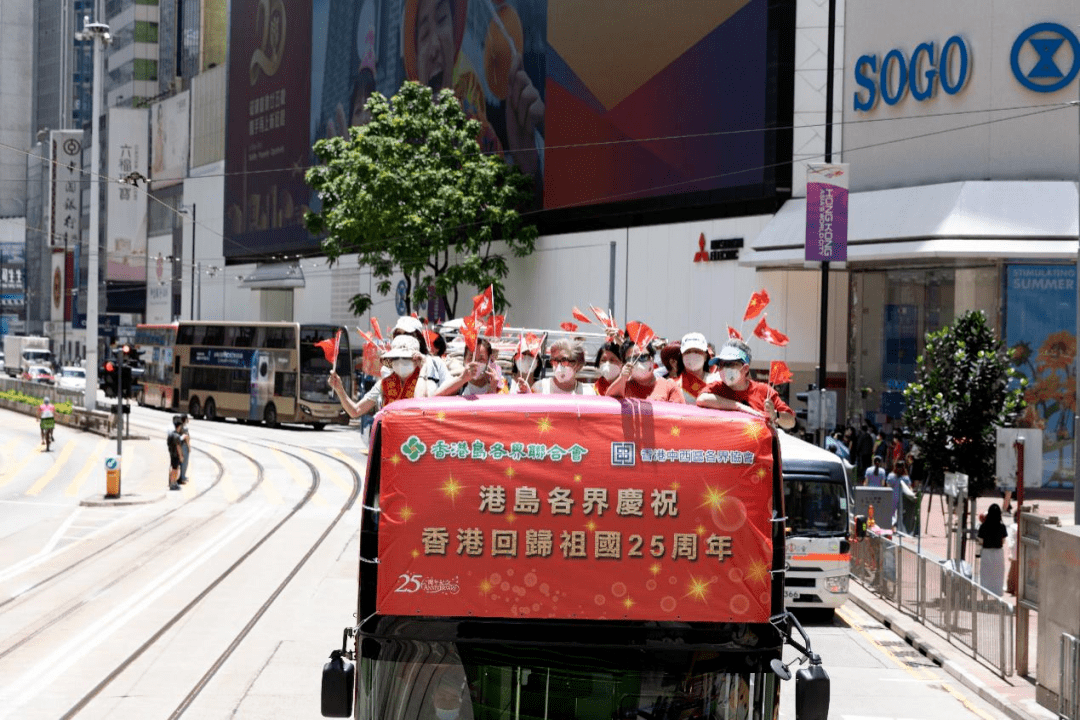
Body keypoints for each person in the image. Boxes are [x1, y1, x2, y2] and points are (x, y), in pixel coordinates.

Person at [696, 340, 795, 429]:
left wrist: (774, 415)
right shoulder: (717, 388)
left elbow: (791, 422)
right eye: (721, 364)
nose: (724, 369)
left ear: (745, 368)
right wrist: (738, 406)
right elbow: (701, 399)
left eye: (730, 364)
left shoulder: (764, 391)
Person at [330, 334, 435, 418]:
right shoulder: (383, 384)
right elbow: (355, 411)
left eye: (406, 358)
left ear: (416, 361)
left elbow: (421, 403)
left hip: (415, 441)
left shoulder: (427, 382)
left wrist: (424, 369)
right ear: (391, 360)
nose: (401, 362)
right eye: (396, 358)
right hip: (389, 438)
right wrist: (340, 389)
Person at [605, 345, 684, 403]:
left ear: (652, 359)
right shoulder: (622, 387)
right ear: (624, 363)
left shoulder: (669, 387)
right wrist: (622, 377)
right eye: (632, 359)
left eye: (643, 357)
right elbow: (609, 402)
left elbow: (680, 417)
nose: (638, 362)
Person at [436, 339, 506, 396]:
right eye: (471, 357)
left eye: (481, 359)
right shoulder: (456, 382)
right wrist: (462, 379)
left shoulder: (498, 383)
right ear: (464, 360)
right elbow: (435, 398)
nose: (475, 362)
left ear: (488, 362)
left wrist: (492, 389)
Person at [393, 316, 448, 388]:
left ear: (418, 337)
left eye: (407, 334)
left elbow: (449, 389)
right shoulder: (389, 365)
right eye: (398, 334)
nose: (401, 338)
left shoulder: (435, 363)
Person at [528, 338, 595, 395]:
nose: (558, 366)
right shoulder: (540, 387)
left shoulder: (587, 392)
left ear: (577, 364)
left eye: (564, 360)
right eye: (554, 360)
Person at [977, 503, 1009, 596]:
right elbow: (1003, 541)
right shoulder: (1002, 526)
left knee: (986, 574)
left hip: (986, 552)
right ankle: (997, 595)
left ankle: (985, 596)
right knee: (998, 575)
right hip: (998, 553)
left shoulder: (983, 526)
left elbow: (980, 541)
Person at [677, 332, 710, 403]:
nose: (692, 355)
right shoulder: (673, 384)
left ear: (705, 356)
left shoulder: (716, 380)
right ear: (682, 356)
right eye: (688, 352)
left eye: (697, 351)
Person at [885, 460, 916, 533]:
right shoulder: (906, 478)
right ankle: (899, 529)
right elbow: (909, 488)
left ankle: (891, 528)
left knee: (891, 514)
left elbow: (888, 486)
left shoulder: (891, 476)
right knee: (900, 515)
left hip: (892, 497)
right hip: (902, 498)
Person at [167, 415, 184, 491]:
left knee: (173, 468)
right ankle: (173, 483)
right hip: (175, 455)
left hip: (171, 453)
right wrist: (181, 456)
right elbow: (178, 447)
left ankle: (172, 482)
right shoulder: (177, 436)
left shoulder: (170, 435)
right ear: (178, 426)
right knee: (175, 469)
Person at [178, 413, 191, 484]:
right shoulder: (185, 428)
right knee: (184, 462)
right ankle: (182, 476)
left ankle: (181, 476)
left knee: (180, 462)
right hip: (184, 446)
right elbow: (186, 438)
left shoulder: (179, 426)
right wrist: (189, 447)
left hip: (180, 445)